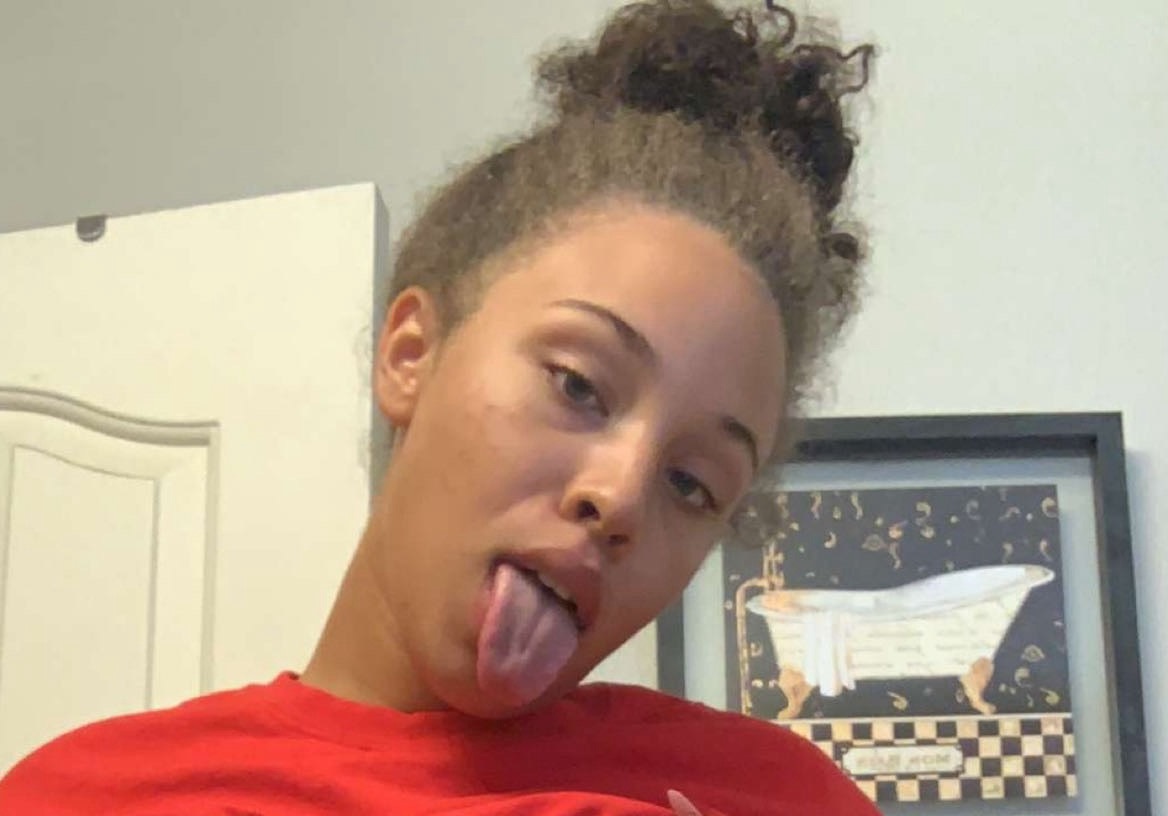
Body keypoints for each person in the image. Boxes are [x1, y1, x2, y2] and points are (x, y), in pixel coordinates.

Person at [0, 1, 879, 813]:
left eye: (691, 484)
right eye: (578, 385)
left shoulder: (775, 797)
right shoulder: (85, 797)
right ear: (411, 354)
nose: (618, 499)